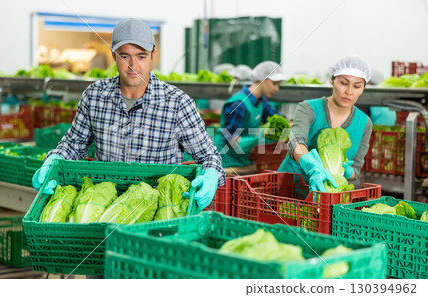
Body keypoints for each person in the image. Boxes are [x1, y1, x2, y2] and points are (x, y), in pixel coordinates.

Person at [32, 18, 226, 210]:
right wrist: (53, 162)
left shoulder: (178, 104)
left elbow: (208, 155)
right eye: (125, 56)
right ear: (114, 55)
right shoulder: (94, 96)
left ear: (153, 55)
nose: (133, 65)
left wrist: (210, 176)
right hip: (104, 208)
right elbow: (73, 145)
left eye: (141, 56)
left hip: (156, 211)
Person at [278, 55, 373, 191]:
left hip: (326, 193)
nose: (349, 91)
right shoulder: (308, 108)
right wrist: (312, 167)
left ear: (364, 87)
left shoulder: (364, 123)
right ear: (332, 80)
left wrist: (346, 170)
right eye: (343, 83)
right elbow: (295, 142)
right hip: (289, 187)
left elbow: (355, 171)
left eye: (357, 86)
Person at [214, 61, 287, 168]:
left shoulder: (261, 102)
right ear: (262, 77)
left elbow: (277, 117)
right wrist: (258, 138)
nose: (277, 89)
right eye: (274, 83)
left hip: (240, 160)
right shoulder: (239, 104)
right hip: (224, 161)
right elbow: (232, 141)